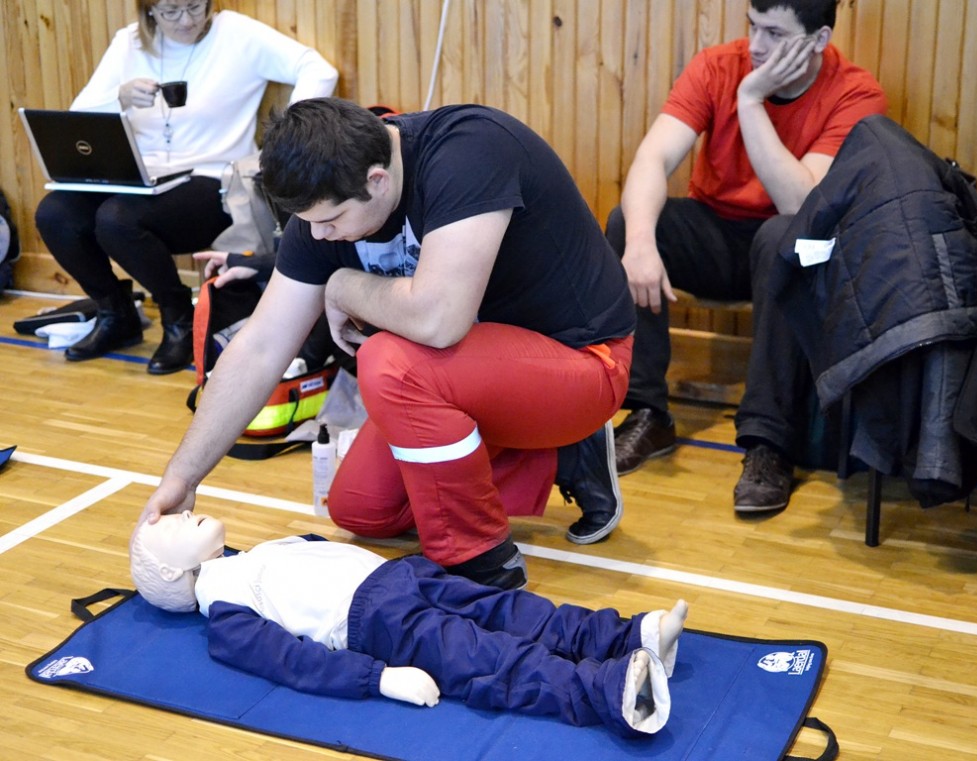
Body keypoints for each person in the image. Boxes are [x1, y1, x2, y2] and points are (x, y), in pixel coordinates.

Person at [140, 98, 637, 589]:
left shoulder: (470, 151)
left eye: (331, 221)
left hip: (583, 361)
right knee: (362, 510)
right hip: (478, 376)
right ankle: (561, 456)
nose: (319, 235)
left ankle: (481, 560)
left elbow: (438, 321)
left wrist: (343, 285)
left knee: (391, 362)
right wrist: (182, 478)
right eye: (309, 223)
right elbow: (260, 347)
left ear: (377, 180)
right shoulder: (327, 200)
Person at [607, 0, 886, 513]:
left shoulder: (855, 93)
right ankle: (648, 413)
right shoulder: (718, 65)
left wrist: (752, 100)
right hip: (717, 235)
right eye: (753, 27)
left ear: (818, 40)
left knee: (782, 236)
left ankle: (768, 443)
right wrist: (640, 242)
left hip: (790, 248)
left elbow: (799, 204)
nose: (757, 46)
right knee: (629, 221)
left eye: (775, 34)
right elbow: (654, 156)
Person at [130, 512, 689, 738]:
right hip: (376, 622)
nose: (185, 512)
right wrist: (378, 677)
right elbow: (294, 663)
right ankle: (609, 692)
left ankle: (627, 636)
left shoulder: (252, 554)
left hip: (401, 577)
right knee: (486, 658)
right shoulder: (224, 612)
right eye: (173, 526)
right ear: (170, 571)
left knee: (514, 612)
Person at [34, 0, 338, 374]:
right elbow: (78, 117)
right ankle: (115, 312)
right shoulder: (129, 43)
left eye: (196, 7)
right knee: (55, 214)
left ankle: (178, 317)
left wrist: (288, 137)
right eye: (171, 11)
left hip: (214, 178)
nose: (187, 20)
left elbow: (318, 68)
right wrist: (120, 98)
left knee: (116, 219)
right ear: (150, 11)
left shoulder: (236, 33)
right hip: (141, 176)